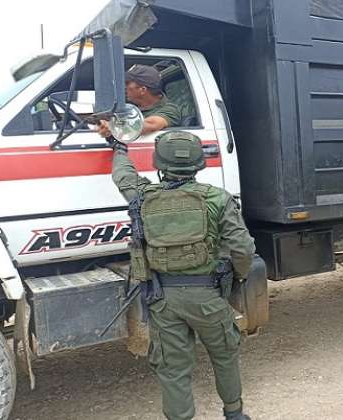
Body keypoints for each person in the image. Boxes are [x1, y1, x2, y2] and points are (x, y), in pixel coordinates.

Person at [110, 130, 256, 420]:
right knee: (225, 354)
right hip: (208, 296)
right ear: (198, 164)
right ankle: (234, 414)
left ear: (158, 163)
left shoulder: (141, 197)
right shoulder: (217, 199)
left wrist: (118, 147)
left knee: (173, 367)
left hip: (162, 299)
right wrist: (237, 278)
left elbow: (123, 176)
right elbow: (243, 248)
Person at [98, 64, 182, 137]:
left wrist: (114, 126)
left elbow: (150, 124)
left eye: (127, 83)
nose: (124, 87)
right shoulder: (129, 106)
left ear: (142, 90)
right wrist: (102, 123)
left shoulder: (170, 110)